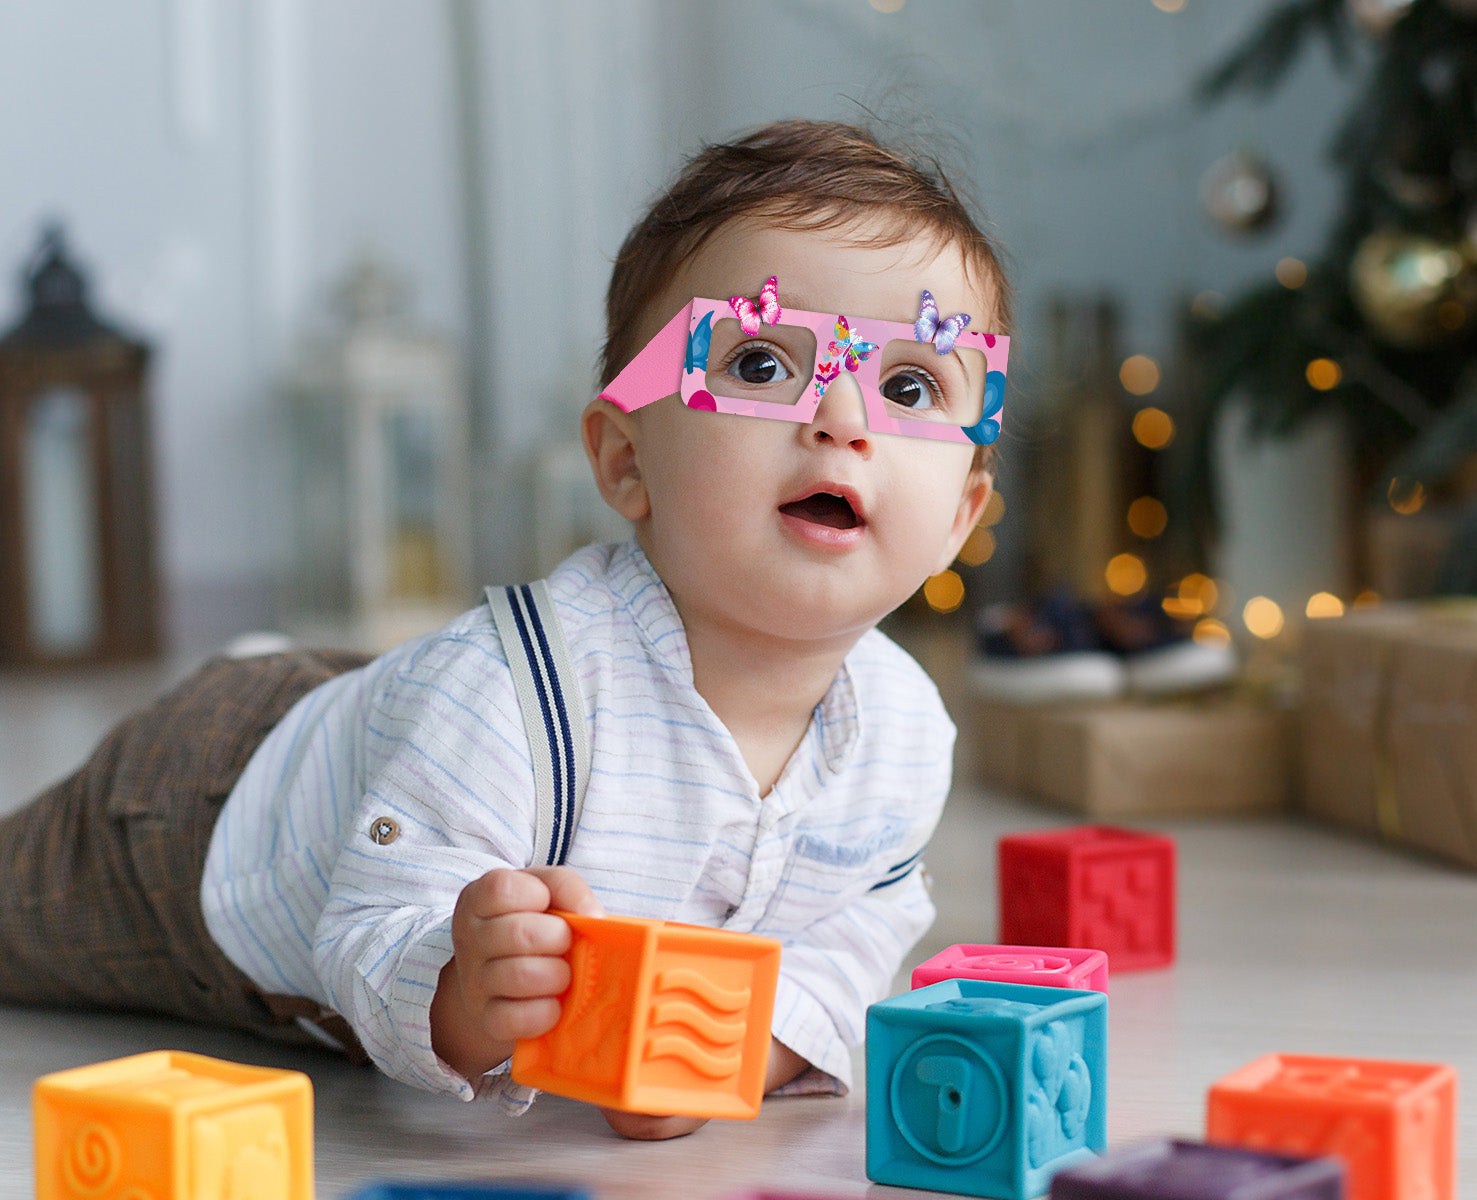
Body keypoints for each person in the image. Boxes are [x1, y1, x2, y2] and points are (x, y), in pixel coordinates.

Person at [0, 119, 1010, 1141]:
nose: (844, 416)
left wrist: (738, 1050)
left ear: (963, 516)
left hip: (405, 738)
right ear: (625, 462)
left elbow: (855, 927)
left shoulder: (904, 735)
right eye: (758, 363)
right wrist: (457, 991)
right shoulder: (515, 696)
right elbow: (367, 922)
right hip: (201, 824)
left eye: (911, 385)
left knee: (422, 737)